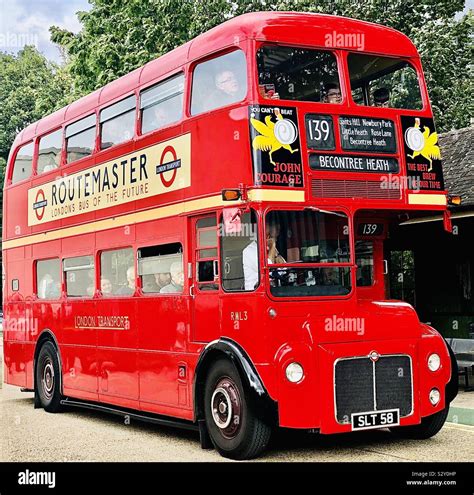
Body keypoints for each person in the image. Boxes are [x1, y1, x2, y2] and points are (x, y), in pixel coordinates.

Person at [242, 215, 286, 290]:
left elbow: (284, 269)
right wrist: (273, 246)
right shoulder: (249, 251)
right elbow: (268, 268)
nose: (274, 230)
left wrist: (274, 251)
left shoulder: (271, 248)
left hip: (274, 291)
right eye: (271, 226)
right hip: (256, 295)